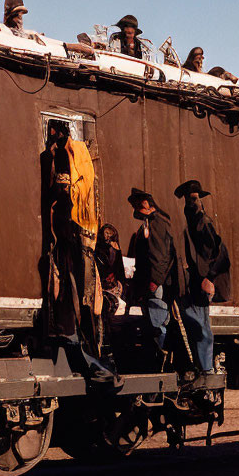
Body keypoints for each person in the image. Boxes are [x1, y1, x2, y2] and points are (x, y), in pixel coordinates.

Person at [41, 120, 118, 385]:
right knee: (84, 305)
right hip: (80, 235)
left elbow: (64, 191)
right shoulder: (79, 156)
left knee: (76, 301)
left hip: (72, 235)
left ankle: (94, 363)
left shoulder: (64, 154)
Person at [174, 179, 231, 373]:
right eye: (189, 199)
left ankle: (206, 372)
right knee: (196, 328)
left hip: (201, 284)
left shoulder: (203, 223)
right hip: (193, 284)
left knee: (201, 329)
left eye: (195, 198)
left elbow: (221, 254)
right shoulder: (191, 222)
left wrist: (210, 278)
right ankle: (202, 370)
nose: (192, 203)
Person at [127, 188, 177, 357]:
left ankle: (160, 360)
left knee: (158, 323)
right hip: (150, 283)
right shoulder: (153, 223)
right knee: (155, 323)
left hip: (155, 284)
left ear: (146, 204)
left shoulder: (157, 224)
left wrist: (155, 280)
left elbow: (160, 256)